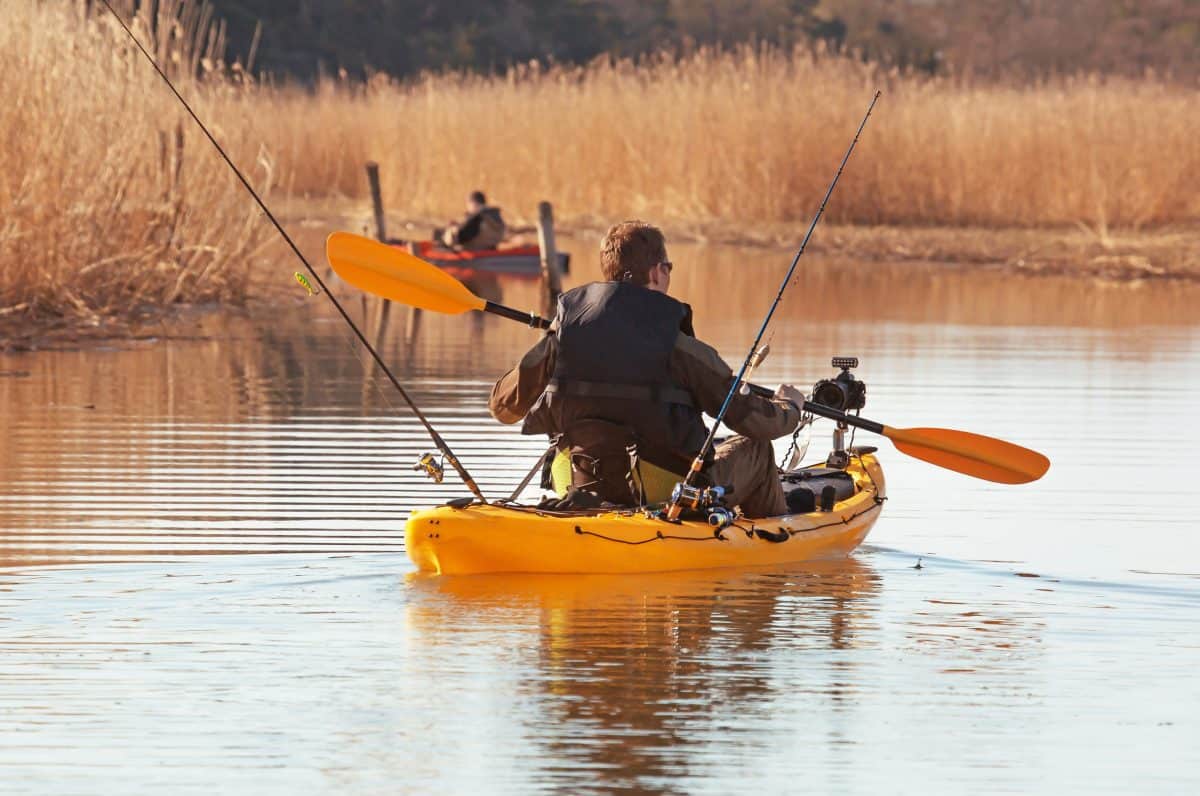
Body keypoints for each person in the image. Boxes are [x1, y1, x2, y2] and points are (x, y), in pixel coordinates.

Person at [488, 220, 806, 517]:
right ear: (656, 272)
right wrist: (789, 407)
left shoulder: (562, 337)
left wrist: (556, 337)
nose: (668, 274)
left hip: (577, 484)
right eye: (668, 267)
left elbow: (503, 409)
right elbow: (754, 421)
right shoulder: (680, 347)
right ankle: (777, 539)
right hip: (666, 495)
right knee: (756, 447)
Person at [437, 190, 506, 251]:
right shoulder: (495, 216)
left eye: (468, 203)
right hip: (490, 251)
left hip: (475, 254)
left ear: (473, 203)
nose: (467, 207)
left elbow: (461, 238)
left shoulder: (477, 217)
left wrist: (451, 229)